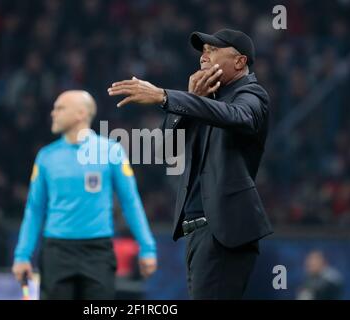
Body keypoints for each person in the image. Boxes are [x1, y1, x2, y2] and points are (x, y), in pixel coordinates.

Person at [108, 29, 273, 299]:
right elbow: (165, 151)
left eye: (213, 50)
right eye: (202, 51)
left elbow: (239, 116)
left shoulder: (252, 94)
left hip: (224, 231)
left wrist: (165, 96)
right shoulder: (206, 101)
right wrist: (189, 99)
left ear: (240, 62)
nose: (203, 56)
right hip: (198, 232)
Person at [12, 90, 157, 300]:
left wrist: (147, 248)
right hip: (56, 252)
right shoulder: (46, 157)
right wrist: (22, 255)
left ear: (80, 113)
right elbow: (34, 209)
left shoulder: (111, 151)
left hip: (97, 252)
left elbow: (130, 202)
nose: (53, 113)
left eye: (60, 108)